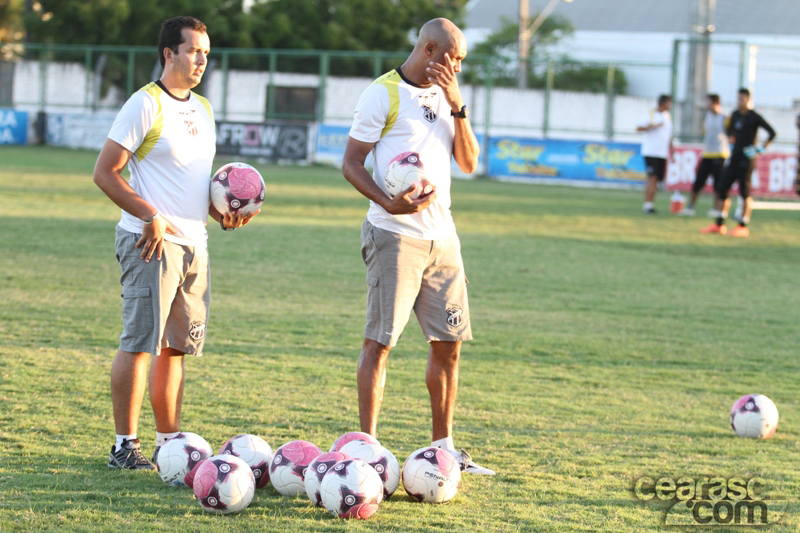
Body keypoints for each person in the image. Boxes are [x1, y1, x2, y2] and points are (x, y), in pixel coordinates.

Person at [93, 16, 257, 469]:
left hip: (194, 245)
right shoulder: (145, 103)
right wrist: (150, 215)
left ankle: (169, 443)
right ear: (169, 53)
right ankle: (124, 446)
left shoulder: (203, 107)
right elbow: (105, 172)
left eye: (206, 52)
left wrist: (222, 214)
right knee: (139, 343)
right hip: (151, 244)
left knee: (175, 348)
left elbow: (193, 184)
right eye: (193, 51)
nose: (202, 60)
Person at [341, 18, 493, 475]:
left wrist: (458, 106)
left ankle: (444, 449)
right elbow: (351, 163)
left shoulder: (450, 97)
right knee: (379, 343)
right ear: (429, 50)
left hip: (442, 239)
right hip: (393, 235)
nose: (457, 68)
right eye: (454, 58)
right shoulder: (383, 94)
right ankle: (367, 449)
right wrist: (388, 201)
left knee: (449, 344)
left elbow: (469, 163)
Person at [702, 88, 776, 237]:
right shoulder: (735, 115)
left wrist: (760, 149)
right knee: (722, 188)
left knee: (744, 192)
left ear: (748, 100)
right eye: (738, 99)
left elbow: (772, 133)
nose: (739, 102)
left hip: (747, 159)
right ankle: (719, 224)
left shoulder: (754, 117)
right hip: (734, 158)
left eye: (742, 99)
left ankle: (742, 225)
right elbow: (729, 130)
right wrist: (731, 140)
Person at [681, 94, 729, 216]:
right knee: (698, 182)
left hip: (720, 154)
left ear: (716, 103)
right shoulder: (706, 116)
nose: (707, 105)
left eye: (709, 103)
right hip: (707, 154)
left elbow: (731, 135)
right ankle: (690, 207)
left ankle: (716, 209)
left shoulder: (724, 118)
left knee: (718, 185)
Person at [636, 94, 673, 214]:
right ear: (663, 103)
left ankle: (651, 204)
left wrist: (671, 151)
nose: (670, 105)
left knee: (656, 179)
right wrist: (653, 126)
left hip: (662, 153)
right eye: (669, 102)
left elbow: (669, 136)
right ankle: (647, 205)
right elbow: (638, 128)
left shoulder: (667, 116)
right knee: (651, 178)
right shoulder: (650, 114)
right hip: (650, 152)